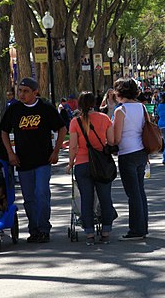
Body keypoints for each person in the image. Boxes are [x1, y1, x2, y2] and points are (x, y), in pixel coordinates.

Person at [0, 77, 67, 243]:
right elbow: (3, 131)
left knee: (42, 193)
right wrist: (10, 153)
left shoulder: (45, 108)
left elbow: (62, 128)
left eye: (25, 91)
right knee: (29, 197)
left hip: (43, 160)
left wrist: (56, 151)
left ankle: (44, 228)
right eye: (20, 91)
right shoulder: (14, 109)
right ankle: (34, 229)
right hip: (23, 162)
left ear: (35, 92)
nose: (21, 94)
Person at [66, 91, 116, 245]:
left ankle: (89, 234)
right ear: (94, 103)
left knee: (86, 200)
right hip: (101, 164)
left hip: (82, 164)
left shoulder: (75, 122)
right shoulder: (104, 118)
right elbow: (112, 141)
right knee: (105, 198)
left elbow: (73, 146)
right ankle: (106, 231)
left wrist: (70, 163)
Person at [112, 78, 149, 240]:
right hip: (141, 151)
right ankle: (143, 226)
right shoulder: (141, 107)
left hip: (127, 153)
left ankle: (136, 230)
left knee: (132, 194)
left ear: (119, 92)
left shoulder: (120, 111)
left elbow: (116, 138)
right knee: (140, 191)